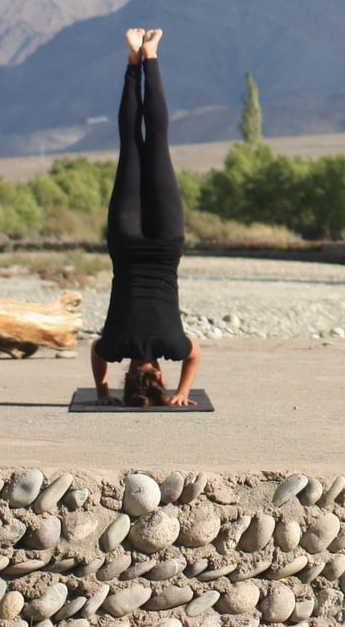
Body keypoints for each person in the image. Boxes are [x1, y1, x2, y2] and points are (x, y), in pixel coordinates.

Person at [90, 28, 201, 406]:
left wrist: (183, 392)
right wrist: (103, 392)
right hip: (125, 243)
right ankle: (133, 59)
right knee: (130, 146)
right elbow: (96, 353)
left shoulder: (172, 346)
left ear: (157, 374)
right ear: (129, 376)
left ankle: (150, 56)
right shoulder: (115, 346)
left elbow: (195, 353)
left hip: (167, 244)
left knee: (156, 143)